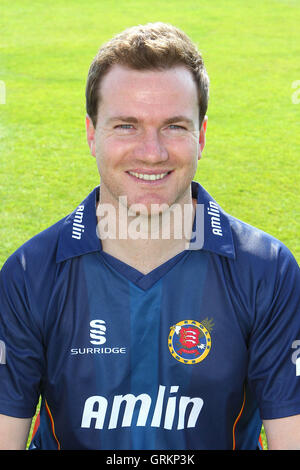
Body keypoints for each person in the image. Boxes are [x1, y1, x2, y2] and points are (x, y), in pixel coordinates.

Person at [0, 22, 299, 451]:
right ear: (91, 135)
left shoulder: (267, 270)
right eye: (126, 125)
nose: (152, 152)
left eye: (174, 126)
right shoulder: (30, 275)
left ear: (201, 136)